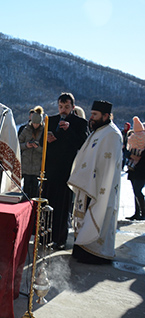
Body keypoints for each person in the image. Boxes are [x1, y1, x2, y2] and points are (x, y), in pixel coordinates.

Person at [68, 100, 122, 264]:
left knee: (97, 216)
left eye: (95, 115)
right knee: (84, 218)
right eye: (91, 114)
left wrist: (93, 181)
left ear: (106, 116)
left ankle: (95, 254)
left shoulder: (112, 134)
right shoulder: (98, 131)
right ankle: (82, 249)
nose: (91, 118)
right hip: (88, 184)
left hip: (100, 187)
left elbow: (108, 166)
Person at [44, 92, 89, 250]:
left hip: (66, 171)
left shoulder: (80, 123)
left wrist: (69, 130)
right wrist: (47, 140)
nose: (63, 110)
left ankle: (60, 238)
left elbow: (83, 143)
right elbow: (42, 143)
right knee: (47, 204)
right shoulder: (51, 120)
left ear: (73, 107)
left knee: (63, 207)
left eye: (67, 107)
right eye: (61, 107)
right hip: (50, 170)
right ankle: (45, 236)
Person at [18, 106, 45, 199]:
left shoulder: (44, 131)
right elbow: (18, 143)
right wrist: (26, 145)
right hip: (26, 165)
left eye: (37, 123)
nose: (35, 125)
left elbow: (46, 150)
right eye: (34, 123)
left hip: (37, 166)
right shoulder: (26, 129)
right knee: (25, 190)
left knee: (35, 190)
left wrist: (37, 147)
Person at [126, 116, 145, 220]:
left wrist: (137, 157)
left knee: (137, 190)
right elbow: (126, 152)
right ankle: (137, 213)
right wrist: (131, 156)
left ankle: (143, 212)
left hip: (141, 170)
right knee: (135, 191)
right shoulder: (132, 138)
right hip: (133, 168)